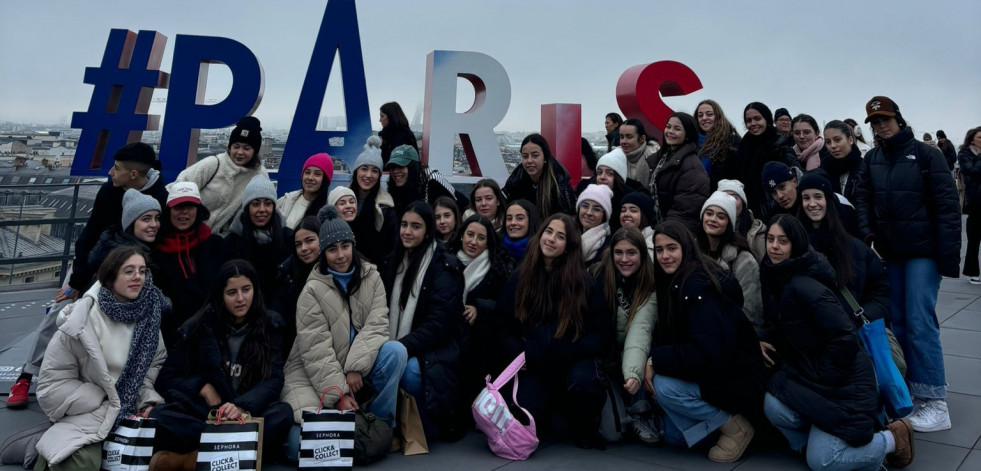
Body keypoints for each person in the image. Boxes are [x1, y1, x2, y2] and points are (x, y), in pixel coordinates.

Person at [759, 215, 915, 470]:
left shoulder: (805, 285)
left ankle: (890, 440)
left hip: (843, 384)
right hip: (813, 377)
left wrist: (824, 375)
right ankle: (818, 444)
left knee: (822, 461)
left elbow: (844, 337)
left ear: (795, 245)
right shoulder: (776, 275)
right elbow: (782, 328)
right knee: (773, 403)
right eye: (770, 239)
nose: (774, 246)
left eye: (783, 241)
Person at [854, 96, 961, 432]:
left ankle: (935, 402)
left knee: (919, 321)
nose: (881, 126)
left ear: (898, 119)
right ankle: (911, 391)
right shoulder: (872, 159)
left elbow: (947, 207)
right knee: (897, 323)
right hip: (890, 253)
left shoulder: (927, 155)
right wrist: (868, 235)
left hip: (923, 253)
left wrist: (947, 258)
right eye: (875, 122)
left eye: (885, 119)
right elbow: (862, 199)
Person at [8, 188, 164, 410]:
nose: (154, 224)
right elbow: (87, 239)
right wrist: (76, 284)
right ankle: (26, 375)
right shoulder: (110, 220)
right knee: (59, 314)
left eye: (157, 219)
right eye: (146, 219)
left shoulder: (147, 239)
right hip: (88, 288)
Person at [282, 208, 407, 460]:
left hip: (356, 367)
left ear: (353, 245)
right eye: (332, 249)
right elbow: (315, 348)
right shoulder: (312, 291)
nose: (340, 255)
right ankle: (352, 429)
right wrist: (338, 395)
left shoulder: (372, 277)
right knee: (298, 447)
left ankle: (378, 426)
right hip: (315, 373)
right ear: (323, 253)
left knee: (396, 351)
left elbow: (377, 325)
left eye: (345, 246)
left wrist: (354, 367)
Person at [34, 245, 167, 471]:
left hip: (131, 409)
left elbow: (151, 370)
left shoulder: (149, 315)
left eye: (142, 271)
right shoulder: (81, 321)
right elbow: (50, 386)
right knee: (84, 462)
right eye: (129, 271)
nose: (138, 277)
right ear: (110, 277)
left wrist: (147, 399)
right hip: (89, 413)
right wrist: (104, 400)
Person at [150, 260, 292, 467]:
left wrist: (241, 406)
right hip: (208, 414)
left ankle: (194, 459)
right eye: (232, 292)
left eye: (246, 289)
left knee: (282, 413)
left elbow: (274, 379)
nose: (241, 299)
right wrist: (202, 387)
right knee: (160, 416)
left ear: (255, 289)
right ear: (220, 295)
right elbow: (167, 378)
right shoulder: (199, 325)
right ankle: (236, 455)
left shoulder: (270, 325)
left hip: (248, 414)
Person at [646, 220, 766, 463]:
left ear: (686, 249)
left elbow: (705, 353)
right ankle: (714, 428)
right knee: (673, 437)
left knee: (664, 387)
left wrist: (656, 360)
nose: (665, 256)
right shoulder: (678, 281)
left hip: (735, 380)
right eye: (659, 250)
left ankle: (736, 427)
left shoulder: (698, 288)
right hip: (718, 374)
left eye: (672, 248)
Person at [493, 214, 614, 449]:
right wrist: (520, 353)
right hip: (533, 362)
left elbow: (603, 333)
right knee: (524, 416)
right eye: (548, 232)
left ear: (569, 246)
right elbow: (500, 323)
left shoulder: (584, 283)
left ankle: (582, 427)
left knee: (584, 384)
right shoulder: (521, 277)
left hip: (572, 360)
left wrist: (571, 349)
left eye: (560, 236)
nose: (551, 239)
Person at [382, 201, 467, 439]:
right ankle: (387, 424)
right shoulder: (393, 260)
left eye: (416, 226)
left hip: (436, 351)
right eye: (404, 225)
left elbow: (439, 325)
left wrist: (400, 348)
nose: (407, 231)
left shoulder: (445, 265)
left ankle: (421, 424)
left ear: (428, 230)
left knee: (408, 370)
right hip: (402, 343)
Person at [61, 142, 167, 303]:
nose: (110, 172)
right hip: (95, 259)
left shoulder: (160, 197)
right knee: (63, 300)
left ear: (133, 174)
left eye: (117, 168)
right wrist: (77, 281)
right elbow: (90, 234)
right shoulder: (108, 191)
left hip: (134, 270)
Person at [590, 227, 660, 444]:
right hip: (606, 358)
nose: (624, 259)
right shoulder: (597, 276)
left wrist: (635, 369)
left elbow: (643, 330)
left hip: (640, 356)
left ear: (641, 253)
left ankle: (641, 413)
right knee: (614, 432)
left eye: (631, 253)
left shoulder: (653, 281)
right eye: (618, 253)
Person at [797, 173, 891, 328]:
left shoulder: (856, 248)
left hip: (851, 333)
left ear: (829, 200)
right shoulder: (795, 246)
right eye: (806, 198)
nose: (812, 203)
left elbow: (880, 294)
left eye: (818, 197)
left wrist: (860, 317)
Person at [448, 215, 517, 417]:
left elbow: (504, 304)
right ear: (461, 235)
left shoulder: (497, 267)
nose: (473, 242)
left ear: (488, 242)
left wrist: (480, 308)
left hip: (481, 339)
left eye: (481, 238)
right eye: (470, 235)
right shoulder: (446, 259)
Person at [152, 182, 230, 346]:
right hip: (172, 336)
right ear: (169, 211)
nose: (184, 212)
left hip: (215, 332)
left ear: (199, 210)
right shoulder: (156, 252)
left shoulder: (217, 245)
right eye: (178, 207)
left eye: (190, 206)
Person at [173, 116, 268, 236]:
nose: (240, 152)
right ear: (229, 147)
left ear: (255, 151)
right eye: (236, 146)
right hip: (192, 234)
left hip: (228, 241)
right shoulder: (213, 164)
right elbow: (179, 187)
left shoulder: (259, 175)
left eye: (246, 148)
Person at [696, 192, 764, 334]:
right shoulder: (692, 252)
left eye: (721, 216)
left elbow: (751, 312)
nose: (713, 219)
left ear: (730, 222)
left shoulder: (744, 260)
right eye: (709, 213)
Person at [225, 176, 291, 300]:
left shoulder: (288, 238)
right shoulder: (232, 242)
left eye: (267, 203)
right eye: (255, 204)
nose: (262, 209)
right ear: (247, 208)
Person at [729, 102, 797, 218]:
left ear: (767, 119)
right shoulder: (743, 146)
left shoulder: (779, 145)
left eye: (757, 119)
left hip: (777, 211)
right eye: (749, 120)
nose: (753, 124)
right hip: (749, 211)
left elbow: (796, 175)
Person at [647, 112, 710, 233]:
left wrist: (664, 234)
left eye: (677, 129)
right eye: (668, 126)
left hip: (673, 233)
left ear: (688, 134)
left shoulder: (692, 167)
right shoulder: (662, 158)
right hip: (655, 229)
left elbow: (686, 211)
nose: (670, 131)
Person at [268, 216, 321, 355]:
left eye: (309, 241)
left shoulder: (336, 271)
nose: (304, 248)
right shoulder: (286, 274)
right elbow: (276, 312)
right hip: (294, 348)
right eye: (298, 244)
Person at [348, 136, 397, 265]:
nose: (369, 175)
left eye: (375, 171)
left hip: (373, 274)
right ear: (356, 171)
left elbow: (391, 249)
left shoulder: (386, 207)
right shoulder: (340, 199)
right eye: (364, 169)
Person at [503, 133, 577, 220]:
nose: (529, 161)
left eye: (535, 156)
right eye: (525, 156)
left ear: (545, 157)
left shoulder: (559, 182)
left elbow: (568, 218)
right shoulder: (516, 180)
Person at [385, 144, 457, 214]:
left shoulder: (433, 182)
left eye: (401, 166)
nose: (395, 171)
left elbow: (450, 217)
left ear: (413, 167)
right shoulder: (395, 185)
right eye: (392, 167)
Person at [277, 152, 333, 229]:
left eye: (317, 174)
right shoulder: (285, 201)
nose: (310, 178)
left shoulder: (329, 211)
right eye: (307, 172)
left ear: (325, 180)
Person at [717, 179, 767, 262]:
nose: (729, 201)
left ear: (743, 202)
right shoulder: (711, 229)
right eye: (724, 197)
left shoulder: (757, 231)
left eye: (734, 197)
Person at [695, 99, 741, 187]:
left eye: (709, 114)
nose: (704, 118)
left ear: (718, 116)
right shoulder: (692, 142)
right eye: (700, 115)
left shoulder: (732, 141)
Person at [820, 120, 863, 203]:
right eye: (828, 142)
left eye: (837, 140)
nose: (832, 146)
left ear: (850, 140)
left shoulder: (864, 168)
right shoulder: (823, 169)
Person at [960, 127, 981, 283]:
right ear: (972, 139)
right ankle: (972, 271)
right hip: (976, 202)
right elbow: (971, 171)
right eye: (980, 137)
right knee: (974, 239)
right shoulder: (965, 154)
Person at [576, 184, 614, 266]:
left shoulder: (608, 248)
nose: (589, 212)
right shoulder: (568, 234)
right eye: (585, 206)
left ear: (604, 215)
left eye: (596, 209)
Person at [618, 118, 659, 185]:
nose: (623, 141)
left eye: (629, 137)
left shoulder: (654, 159)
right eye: (621, 137)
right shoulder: (615, 157)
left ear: (642, 139)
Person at [618, 191, 658, 260]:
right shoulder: (619, 239)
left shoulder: (651, 244)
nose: (626, 214)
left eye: (633, 211)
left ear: (644, 216)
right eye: (623, 210)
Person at [378, 101, 418, 166]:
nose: (380, 120)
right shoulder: (389, 135)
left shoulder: (401, 136)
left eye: (382, 116)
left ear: (391, 117)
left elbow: (396, 164)